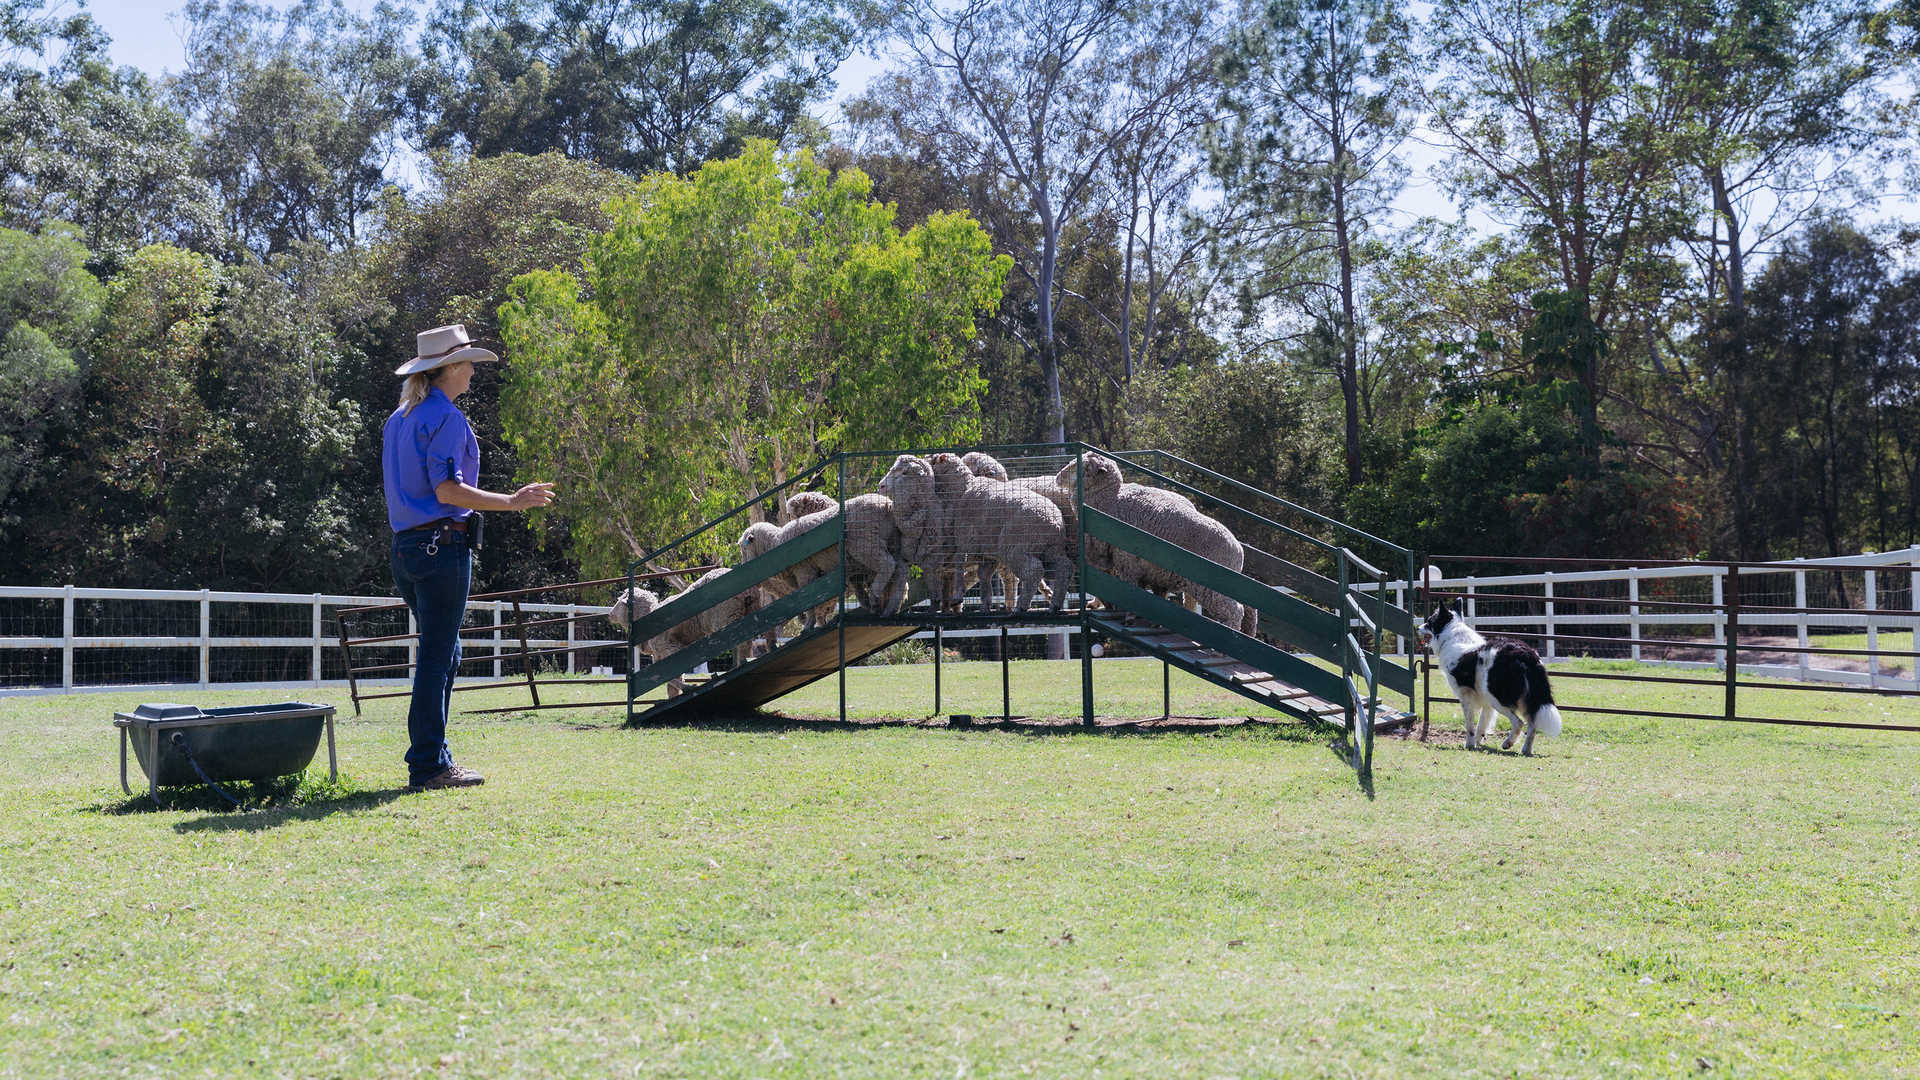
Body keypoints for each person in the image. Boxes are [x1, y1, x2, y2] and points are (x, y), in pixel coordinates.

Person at [381, 325, 555, 791]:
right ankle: (428, 766)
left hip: (405, 551)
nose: (475, 371)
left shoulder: (399, 419)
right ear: (451, 368)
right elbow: (445, 489)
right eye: (469, 363)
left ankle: (434, 755)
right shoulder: (446, 417)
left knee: (446, 649)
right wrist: (512, 501)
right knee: (438, 656)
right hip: (442, 548)